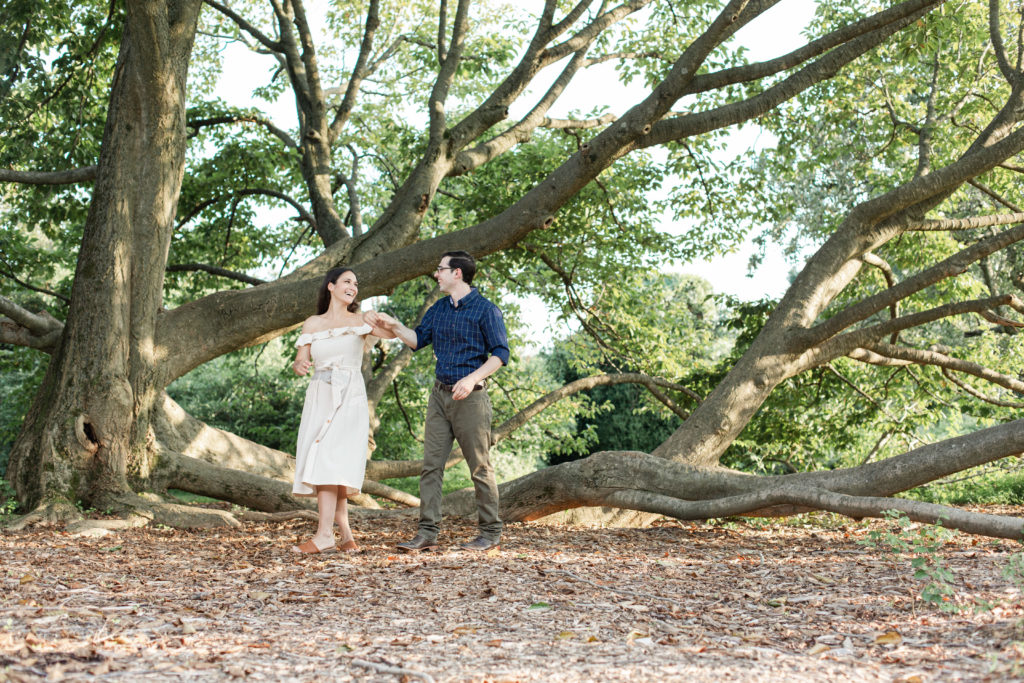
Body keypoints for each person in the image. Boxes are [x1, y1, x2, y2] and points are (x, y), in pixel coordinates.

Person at [375, 250, 509, 553]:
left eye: (441, 269)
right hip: (439, 396)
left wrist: (472, 378)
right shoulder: (438, 309)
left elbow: (501, 354)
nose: (437, 274)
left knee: (480, 467)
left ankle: (490, 532)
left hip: (471, 399)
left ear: (457, 273)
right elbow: (418, 339)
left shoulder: (487, 310)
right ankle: (427, 532)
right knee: (431, 467)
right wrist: (395, 327)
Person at [290, 266, 393, 554]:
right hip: (320, 394)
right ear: (331, 286)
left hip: (349, 396)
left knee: (329, 460)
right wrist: (300, 365)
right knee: (329, 464)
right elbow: (301, 360)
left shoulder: (360, 321)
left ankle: (324, 536)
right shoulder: (312, 323)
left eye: (356, 284)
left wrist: (380, 319)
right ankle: (346, 535)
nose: (353, 286)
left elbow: (392, 334)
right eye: (347, 281)